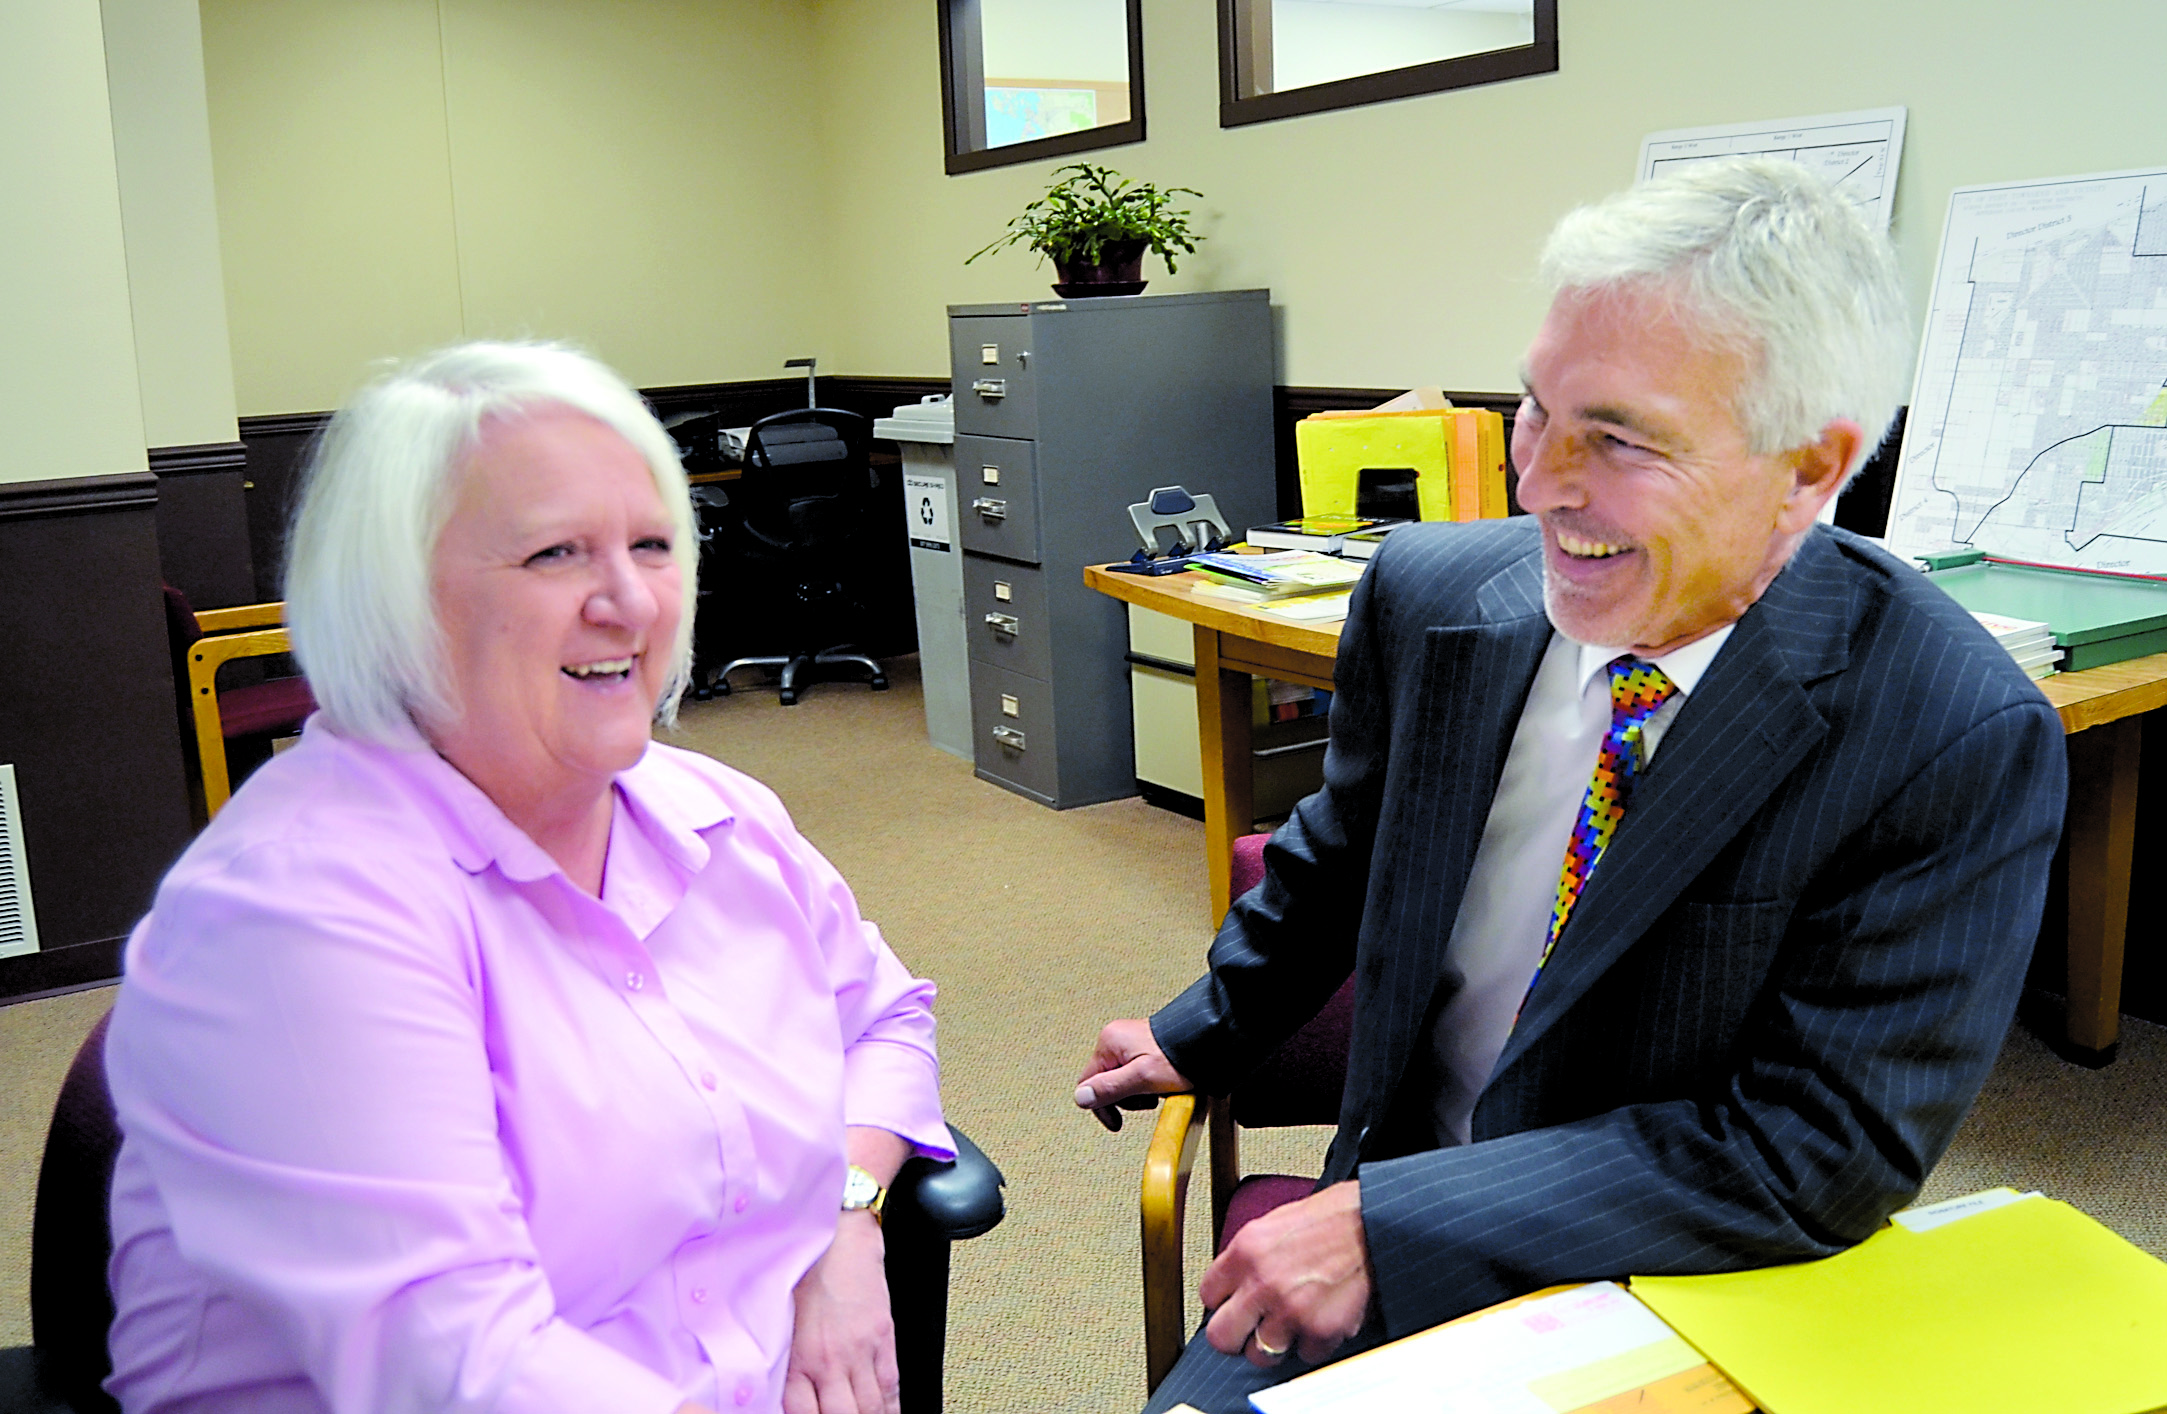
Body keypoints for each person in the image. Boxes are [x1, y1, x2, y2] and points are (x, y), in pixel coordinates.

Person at [1076, 158, 2070, 1413]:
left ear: (1808, 470)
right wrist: (1195, 1031)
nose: (1539, 482)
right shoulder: (1429, 600)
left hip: (1678, 1284)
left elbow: (1817, 1148)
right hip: (1387, 1217)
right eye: (1535, 409)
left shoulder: (1949, 729)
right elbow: (1337, 860)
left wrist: (1390, 1219)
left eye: (1619, 438)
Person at [103, 342, 949, 1414]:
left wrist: (845, 1215)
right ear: (394, 596)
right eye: (557, 554)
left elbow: (884, 1020)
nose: (631, 602)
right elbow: (462, 1365)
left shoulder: (719, 816)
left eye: (652, 544)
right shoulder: (295, 910)